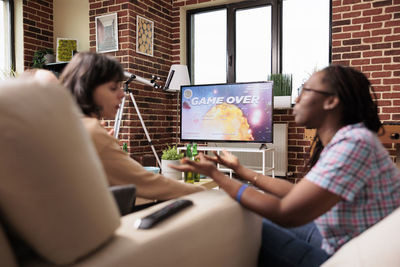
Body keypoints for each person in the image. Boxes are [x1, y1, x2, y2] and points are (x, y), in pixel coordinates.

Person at [170, 65, 400, 266]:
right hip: (338, 240)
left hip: (347, 257)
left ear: (331, 101)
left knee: (236, 220)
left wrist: (217, 176)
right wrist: (240, 170)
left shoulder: (353, 145)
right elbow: (298, 194)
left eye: (305, 91)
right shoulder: (350, 140)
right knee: (250, 213)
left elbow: (286, 213)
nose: (296, 99)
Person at [59, 52, 205, 207]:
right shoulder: (92, 131)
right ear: (87, 87)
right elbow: (149, 183)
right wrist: (206, 193)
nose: (122, 94)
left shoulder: (64, 125)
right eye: (113, 87)